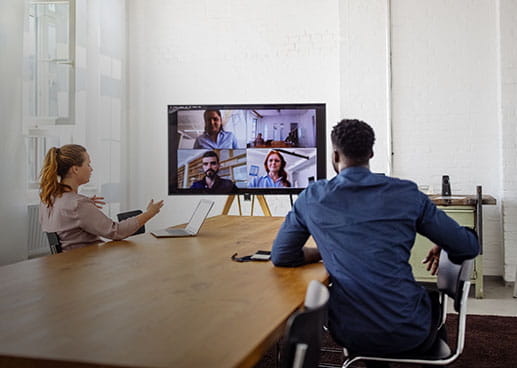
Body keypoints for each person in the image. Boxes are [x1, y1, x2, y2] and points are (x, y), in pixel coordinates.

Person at [271, 119, 479, 366]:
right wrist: (448, 241)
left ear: (334, 155)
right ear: (371, 153)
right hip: (409, 329)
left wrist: (322, 252)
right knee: (427, 306)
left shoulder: (312, 197)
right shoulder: (407, 193)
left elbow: (282, 255)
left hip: (349, 332)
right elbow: (468, 246)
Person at [39, 144, 164, 252]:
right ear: (75, 169)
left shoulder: (48, 199)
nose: (91, 169)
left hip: (69, 266)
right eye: (88, 164)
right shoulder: (77, 205)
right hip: (88, 267)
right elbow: (117, 231)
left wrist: (86, 206)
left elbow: (67, 222)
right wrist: (149, 213)